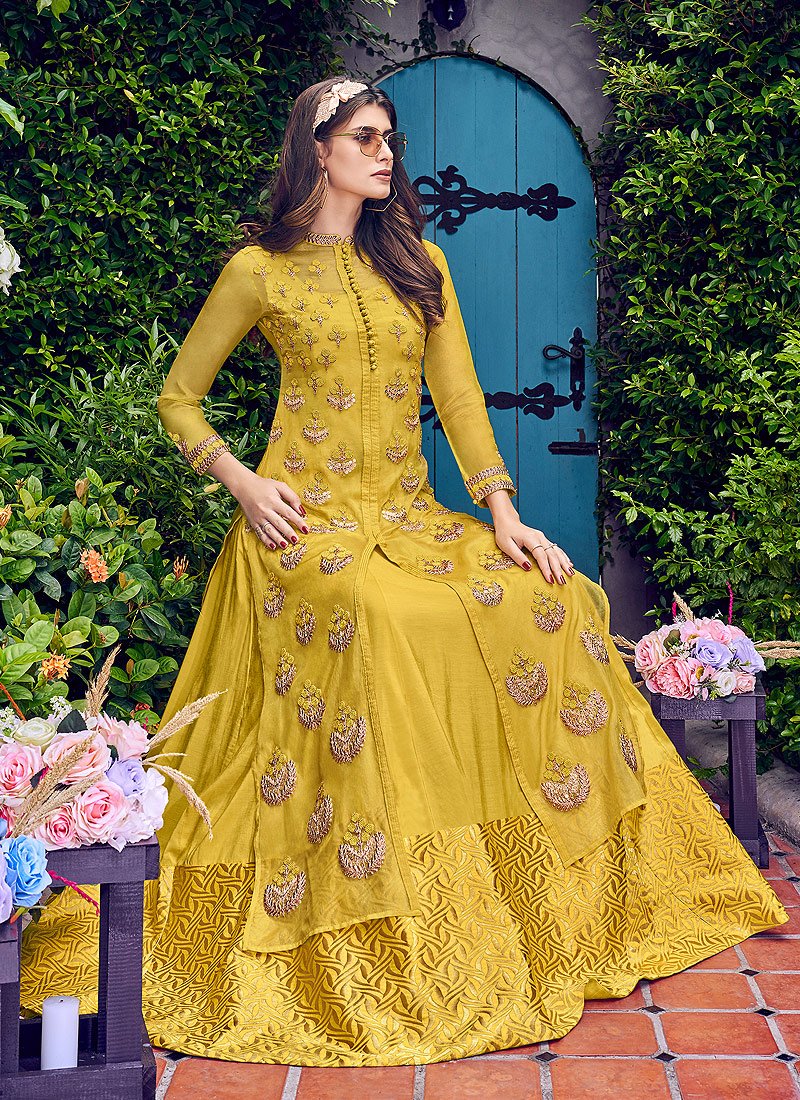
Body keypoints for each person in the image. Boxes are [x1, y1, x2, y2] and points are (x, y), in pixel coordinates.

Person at [21, 76, 786, 1067]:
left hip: (413, 518)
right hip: (304, 531)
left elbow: (459, 397)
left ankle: (561, 897)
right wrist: (244, 485)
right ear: (318, 149)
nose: (385, 153)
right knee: (381, 617)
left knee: (541, 596)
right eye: (366, 137)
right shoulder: (259, 269)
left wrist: (504, 513)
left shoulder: (421, 262)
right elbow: (179, 398)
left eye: (390, 138)